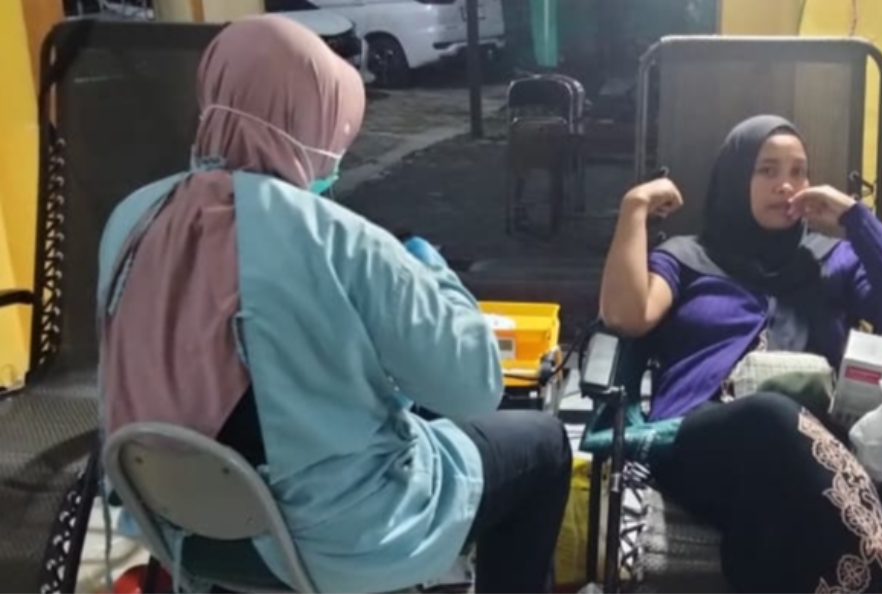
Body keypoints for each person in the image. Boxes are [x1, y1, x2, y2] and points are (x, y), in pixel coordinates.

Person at [97, 16, 570, 594]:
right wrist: (438, 279)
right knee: (543, 445)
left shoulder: (131, 218)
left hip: (176, 526)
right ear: (314, 122)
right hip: (331, 539)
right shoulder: (339, 239)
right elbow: (473, 390)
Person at [599, 115, 882, 594]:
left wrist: (855, 220)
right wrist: (634, 208)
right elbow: (625, 316)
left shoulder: (831, 259)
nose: (786, 185)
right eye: (767, 170)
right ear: (736, 178)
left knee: (771, 524)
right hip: (701, 444)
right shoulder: (687, 257)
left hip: (812, 461)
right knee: (770, 415)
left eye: (798, 171)